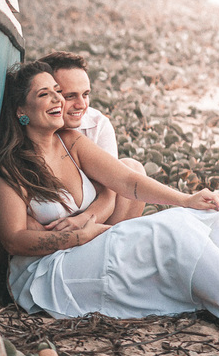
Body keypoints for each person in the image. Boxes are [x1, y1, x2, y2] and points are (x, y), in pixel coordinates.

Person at [0, 60, 219, 336]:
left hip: (87, 248)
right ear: (22, 111)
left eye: (58, 92)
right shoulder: (11, 168)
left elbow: (128, 181)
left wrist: (186, 199)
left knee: (206, 218)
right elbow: (14, 240)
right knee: (172, 233)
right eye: (45, 94)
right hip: (46, 276)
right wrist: (79, 235)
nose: (59, 100)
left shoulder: (71, 142)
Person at [37, 50, 146, 227]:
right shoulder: (26, 130)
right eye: (70, 96)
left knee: (133, 168)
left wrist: (81, 223)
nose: (81, 105)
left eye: (86, 94)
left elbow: (111, 193)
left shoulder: (97, 124)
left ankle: (111, 244)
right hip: (45, 225)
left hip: (95, 219)